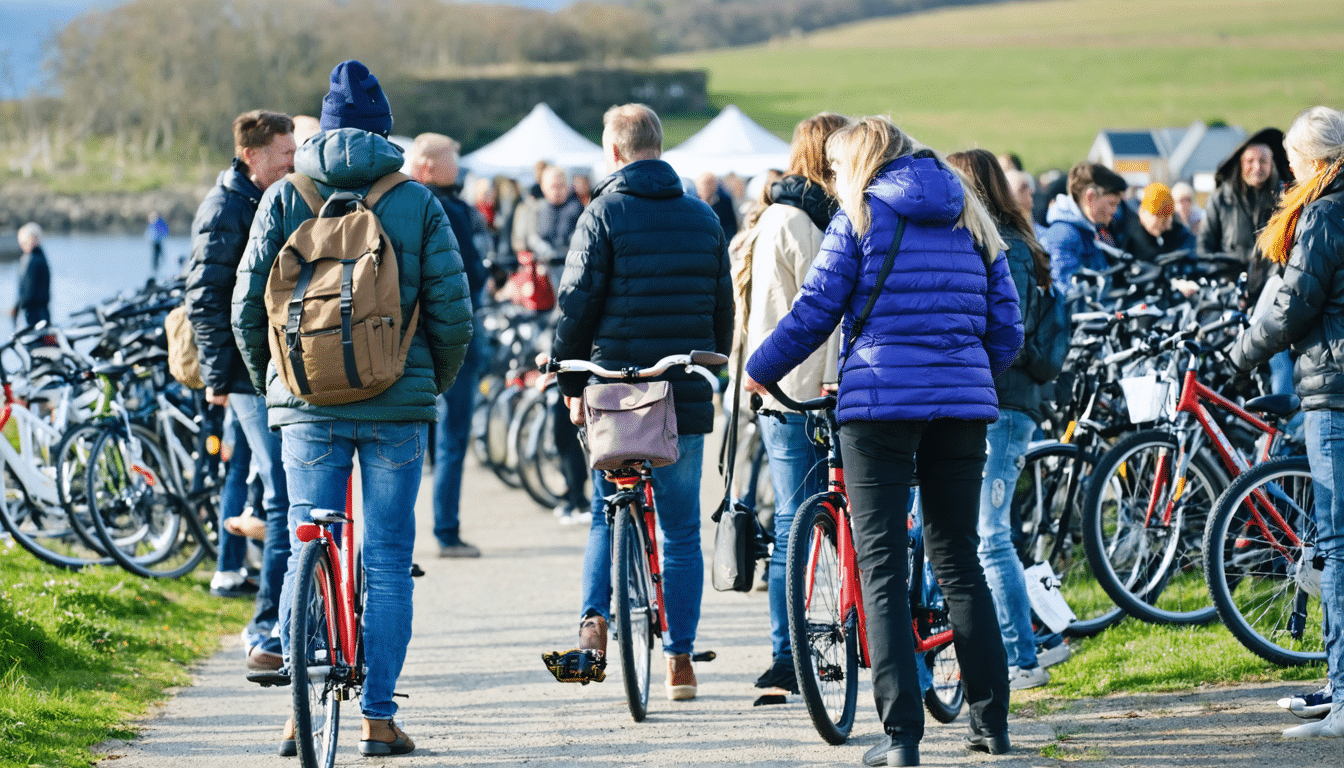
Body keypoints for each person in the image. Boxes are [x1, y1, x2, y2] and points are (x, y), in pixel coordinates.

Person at [744, 117, 1021, 767]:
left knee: (882, 569)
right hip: (961, 411)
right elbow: (1006, 326)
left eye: (837, 169)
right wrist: (968, 373)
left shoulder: (862, 217)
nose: (834, 179)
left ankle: (902, 740)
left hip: (878, 407)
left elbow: (815, 310)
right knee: (959, 560)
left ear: (860, 164)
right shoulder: (970, 216)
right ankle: (992, 724)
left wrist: (759, 370)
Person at [233, 59, 473, 757]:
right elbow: (454, 317)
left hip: (305, 404)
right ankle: (376, 718)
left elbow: (248, 307)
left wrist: (279, 382)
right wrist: (429, 385)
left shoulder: (285, 195)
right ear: (384, 130)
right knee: (390, 561)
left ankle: (294, 716)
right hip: (397, 405)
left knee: (306, 539)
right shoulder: (416, 200)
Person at [551, 103, 733, 701]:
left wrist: (571, 386)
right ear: (660, 145)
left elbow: (576, 304)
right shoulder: (704, 216)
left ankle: (592, 625)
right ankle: (680, 661)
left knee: (609, 509)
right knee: (681, 531)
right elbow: (721, 311)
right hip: (681, 389)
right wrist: (711, 362)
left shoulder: (600, 213)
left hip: (616, 390)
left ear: (613, 152)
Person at [1230, 105, 1344, 740]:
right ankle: (1337, 678)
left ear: (1317, 161)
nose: (1290, 173)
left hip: (1334, 387)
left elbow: (1295, 303)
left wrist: (1244, 351)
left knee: (1335, 541)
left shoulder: (1325, 212)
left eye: (1296, 162)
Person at [732, 111, 850, 702]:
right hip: (802, 390)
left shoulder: (783, 213)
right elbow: (822, 308)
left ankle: (794, 650)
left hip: (786, 387)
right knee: (799, 524)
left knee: (798, 522)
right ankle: (789, 654)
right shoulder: (802, 220)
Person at [947, 148, 1071, 693]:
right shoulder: (1011, 242)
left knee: (992, 536)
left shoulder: (1006, 247)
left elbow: (1008, 331)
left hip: (1005, 404)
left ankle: (1024, 658)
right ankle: (1018, 650)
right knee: (986, 534)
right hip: (1006, 403)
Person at [186, 110, 295, 670]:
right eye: (284, 154)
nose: (292, 162)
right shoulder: (226, 206)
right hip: (245, 376)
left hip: (268, 369)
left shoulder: (257, 200)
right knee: (280, 493)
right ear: (253, 154)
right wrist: (216, 379)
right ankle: (266, 629)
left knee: (278, 491)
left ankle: (280, 620)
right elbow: (203, 297)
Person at [406, 133, 488, 559]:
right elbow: (466, 277)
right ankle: (446, 531)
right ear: (428, 165)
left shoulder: (404, 205)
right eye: (452, 158)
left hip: (415, 341)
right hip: (453, 339)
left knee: (415, 442)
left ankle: (430, 531)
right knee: (452, 439)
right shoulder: (445, 209)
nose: (458, 167)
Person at [1201, 129, 1289, 305]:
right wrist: (1222, 285)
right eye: (1250, 161)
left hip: (1271, 294)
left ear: (1272, 164)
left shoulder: (1285, 199)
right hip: (1228, 293)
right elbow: (1204, 247)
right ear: (1240, 163)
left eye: (1263, 161)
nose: (1257, 167)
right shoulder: (1220, 199)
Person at [1039, 162, 1127, 294]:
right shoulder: (1064, 236)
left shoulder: (1083, 230)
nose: (1115, 211)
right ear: (1090, 197)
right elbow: (1066, 294)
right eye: (1112, 203)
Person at [1123, 182, 1197, 265]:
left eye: (1166, 217)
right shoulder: (1131, 236)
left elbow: (1190, 254)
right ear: (1143, 212)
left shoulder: (1181, 234)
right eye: (1157, 215)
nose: (1162, 222)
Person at [12, 222, 50, 327]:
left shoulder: (31, 260)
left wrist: (16, 309)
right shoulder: (42, 257)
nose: (22, 246)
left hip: (31, 316)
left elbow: (27, 292)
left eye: (23, 242)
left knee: (32, 341)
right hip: (43, 314)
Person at [696, 171, 740, 242]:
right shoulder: (693, 202)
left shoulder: (724, 201)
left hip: (718, 242)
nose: (706, 187)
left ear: (715, 185)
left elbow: (730, 225)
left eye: (710, 183)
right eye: (703, 184)